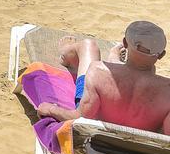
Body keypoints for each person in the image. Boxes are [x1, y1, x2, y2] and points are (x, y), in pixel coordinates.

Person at [37, 21, 170, 134]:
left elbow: (81, 118)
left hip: (95, 143)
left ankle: (66, 51)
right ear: (161, 55)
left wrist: (51, 109)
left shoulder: (97, 71)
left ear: (125, 43)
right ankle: (115, 60)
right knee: (146, 74)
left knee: (88, 46)